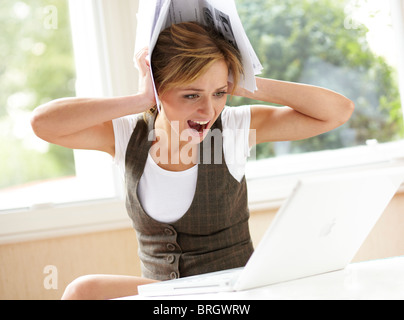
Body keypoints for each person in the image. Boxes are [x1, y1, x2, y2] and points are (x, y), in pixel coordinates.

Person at [31, 22, 354, 300]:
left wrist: (247, 83)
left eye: (218, 93)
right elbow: (43, 123)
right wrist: (140, 99)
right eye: (191, 95)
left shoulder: (234, 129)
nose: (208, 111)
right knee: (84, 290)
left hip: (231, 292)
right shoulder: (127, 135)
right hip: (166, 296)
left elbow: (337, 112)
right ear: (158, 90)